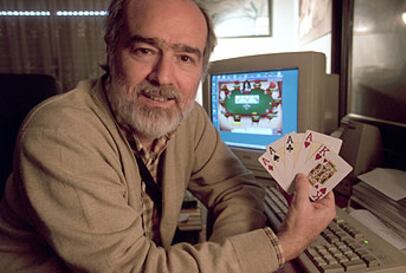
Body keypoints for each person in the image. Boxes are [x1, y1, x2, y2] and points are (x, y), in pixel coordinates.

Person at [0, 0, 336, 272]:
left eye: (185, 57)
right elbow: (135, 269)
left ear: (201, 68)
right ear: (111, 51)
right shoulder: (61, 134)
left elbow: (235, 189)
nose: (163, 77)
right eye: (145, 50)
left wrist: (231, 256)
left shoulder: (188, 118)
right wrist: (282, 245)